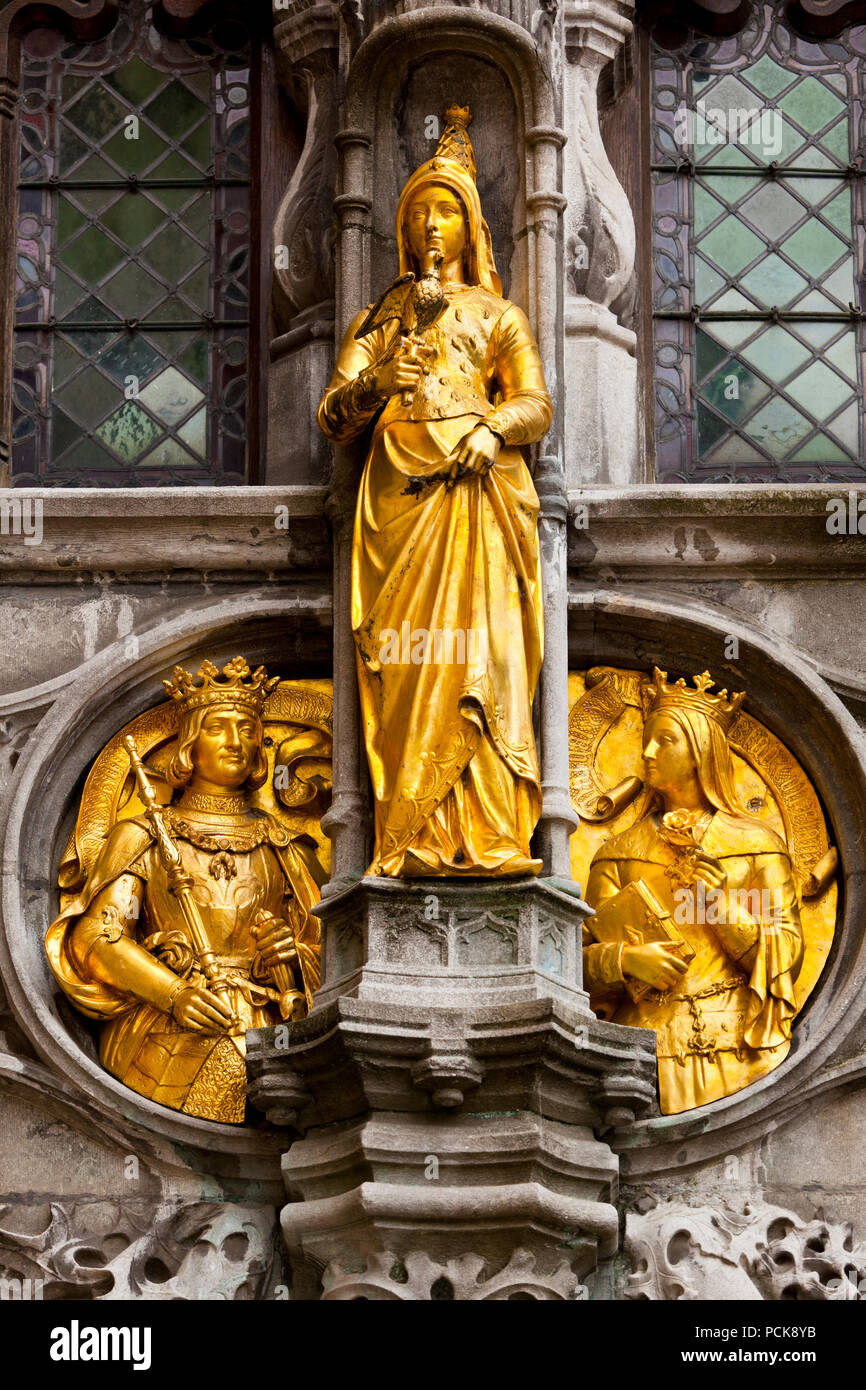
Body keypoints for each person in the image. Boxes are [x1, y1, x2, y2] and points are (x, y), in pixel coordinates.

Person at [317, 105, 552, 877]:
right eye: (420, 212)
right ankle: (410, 831)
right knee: (414, 668)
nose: (433, 226)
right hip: (398, 502)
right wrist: (381, 380)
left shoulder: (499, 314)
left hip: (479, 494)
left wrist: (492, 430)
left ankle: (489, 834)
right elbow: (333, 415)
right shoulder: (380, 320)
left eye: (447, 209)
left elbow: (535, 404)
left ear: (471, 223)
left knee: (484, 657)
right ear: (404, 228)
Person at [45, 657, 324, 1123]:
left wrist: (290, 955)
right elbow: (98, 938)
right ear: (189, 745)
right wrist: (173, 994)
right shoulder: (146, 836)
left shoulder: (286, 847)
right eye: (218, 728)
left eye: (247, 729)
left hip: (272, 1019)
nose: (235, 742)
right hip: (172, 1020)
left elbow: (338, 948)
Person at [583, 669, 804, 1114]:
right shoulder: (618, 853)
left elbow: (788, 951)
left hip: (735, 1045)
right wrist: (625, 960)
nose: (646, 753)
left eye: (665, 741)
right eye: (647, 739)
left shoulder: (756, 847)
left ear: (701, 750)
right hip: (639, 1053)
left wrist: (719, 905)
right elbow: (571, 960)